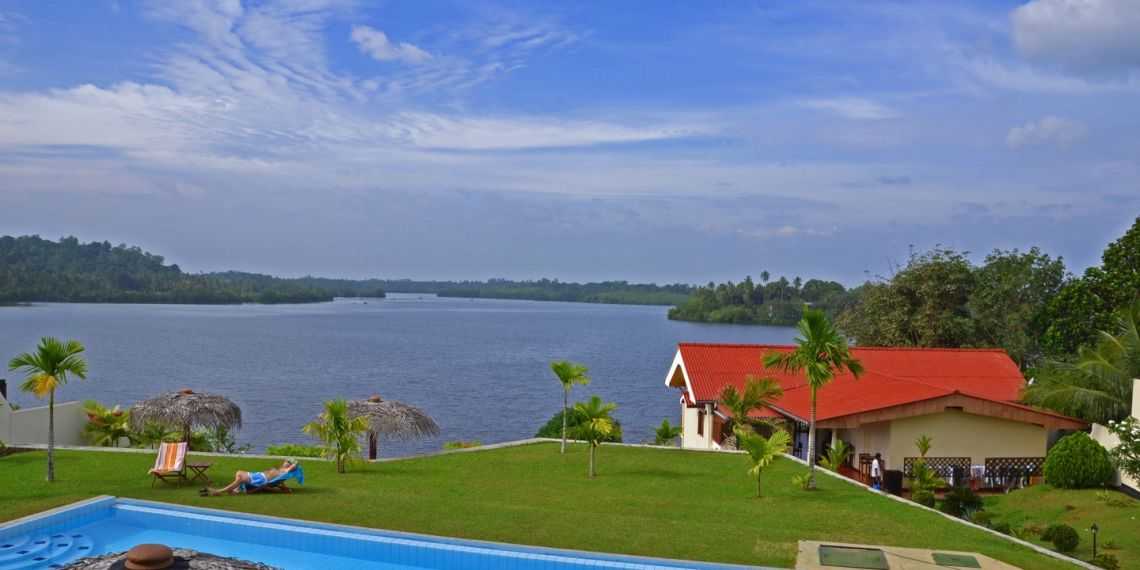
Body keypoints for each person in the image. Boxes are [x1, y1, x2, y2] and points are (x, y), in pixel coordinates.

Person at [201, 459, 298, 496]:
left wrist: (293, 465)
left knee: (240, 478)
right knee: (239, 472)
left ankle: (219, 491)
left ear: (289, 465)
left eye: (287, 461)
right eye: (286, 460)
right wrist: (283, 488)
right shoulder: (281, 470)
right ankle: (234, 490)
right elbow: (279, 482)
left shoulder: (285, 471)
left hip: (260, 480)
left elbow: (295, 465)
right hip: (258, 475)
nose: (285, 461)